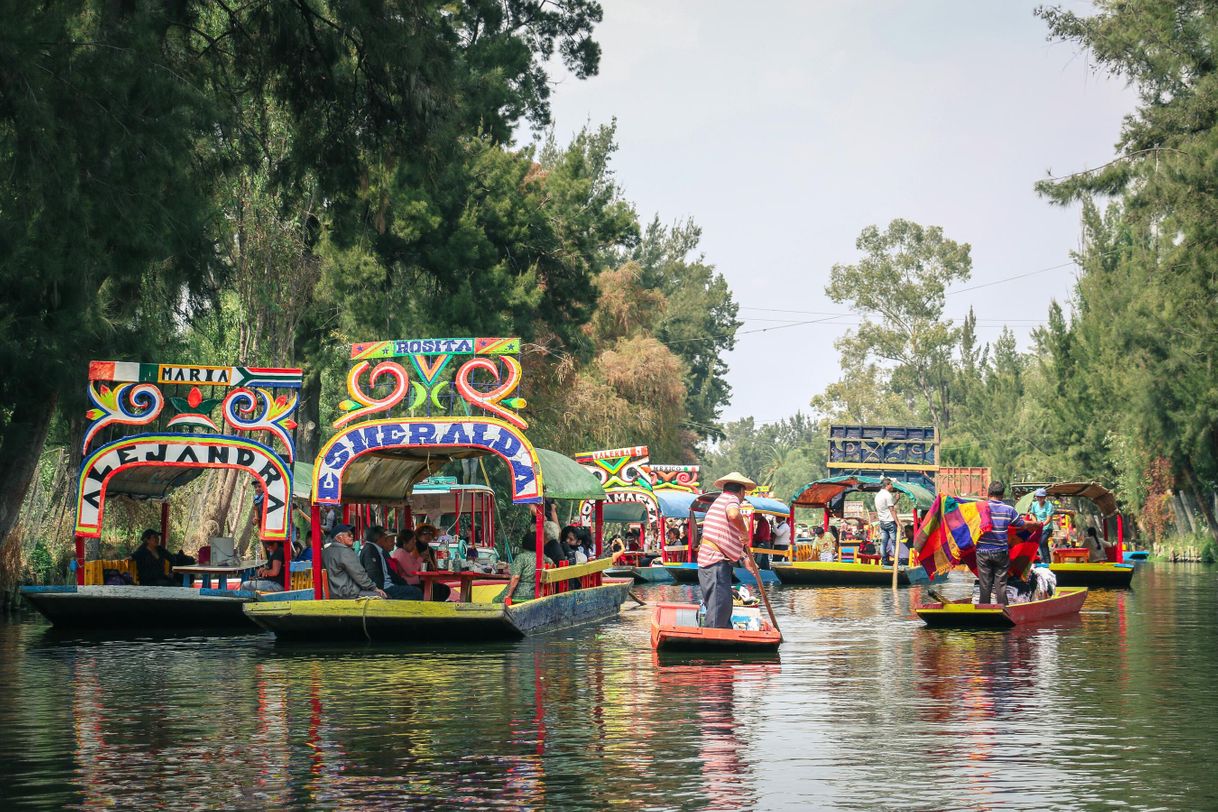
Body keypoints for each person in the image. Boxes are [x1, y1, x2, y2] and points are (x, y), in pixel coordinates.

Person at [698, 472, 763, 629]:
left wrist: (743, 557)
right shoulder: (731, 499)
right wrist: (744, 532)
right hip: (715, 563)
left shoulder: (720, 501)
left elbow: (723, 538)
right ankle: (714, 644)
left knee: (722, 607)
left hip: (714, 562)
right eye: (744, 494)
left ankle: (722, 639)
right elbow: (734, 514)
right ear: (741, 492)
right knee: (719, 610)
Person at [977, 481, 1025, 606]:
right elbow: (1020, 524)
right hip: (1001, 552)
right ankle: (1003, 609)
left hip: (982, 552)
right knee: (1001, 584)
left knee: (985, 584)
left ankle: (983, 611)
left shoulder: (979, 507)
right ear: (1002, 495)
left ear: (988, 493)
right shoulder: (1009, 510)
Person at [322, 524, 386, 599]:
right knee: (381, 596)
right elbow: (359, 574)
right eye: (349, 535)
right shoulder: (345, 552)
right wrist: (374, 588)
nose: (352, 536)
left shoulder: (325, 552)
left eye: (352, 534)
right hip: (347, 593)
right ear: (339, 538)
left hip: (333, 593)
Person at [359, 526, 424, 600]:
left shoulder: (379, 550)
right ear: (379, 538)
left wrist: (404, 583)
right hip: (384, 587)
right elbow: (372, 572)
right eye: (384, 536)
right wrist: (376, 589)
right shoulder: (370, 550)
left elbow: (390, 572)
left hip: (389, 585)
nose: (385, 539)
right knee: (416, 592)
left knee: (414, 590)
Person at [495, 530, 554, 603]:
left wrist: (509, 595)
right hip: (535, 592)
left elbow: (516, 577)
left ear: (524, 543)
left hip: (520, 593)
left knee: (496, 600)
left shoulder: (521, 557)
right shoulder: (543, 557)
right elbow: (552, 564)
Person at [412, 530, 452, 601]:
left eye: (430, 534)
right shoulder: (413, 549)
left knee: (445, 589)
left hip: (429, 578)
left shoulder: (430, 550)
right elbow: (413, 568)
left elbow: (434, 567)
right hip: (417, 580)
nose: (428, 536)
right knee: (440, 589)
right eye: (425, 533)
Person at [875, 478, 899, 565]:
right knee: (894, 542)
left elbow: (888, 507)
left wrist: (896, 500)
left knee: (884, 542)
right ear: (887, 485)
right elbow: (892, 510)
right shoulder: (887, 495)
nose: (892, 486)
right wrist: (898, 523)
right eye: (891, 484)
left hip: (882, 522)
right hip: (890, 522)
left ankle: (884, 561)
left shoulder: (878, 495)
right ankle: (897, 561)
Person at [1029, 488, 1056, 563]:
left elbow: (1049, 518)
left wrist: (1042, 524)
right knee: (1040, 543)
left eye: (1041, 497)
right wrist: (1036, 523)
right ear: (1036, 497)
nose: (1039, 498)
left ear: (1044, 497)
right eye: (1038, 497)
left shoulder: (1049, 505)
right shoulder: (1034, 504)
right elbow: (1033, 514)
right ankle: (1044, 561)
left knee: (1042, 542)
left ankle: (1046, 561)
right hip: (1038, 528)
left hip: (1047, 528)